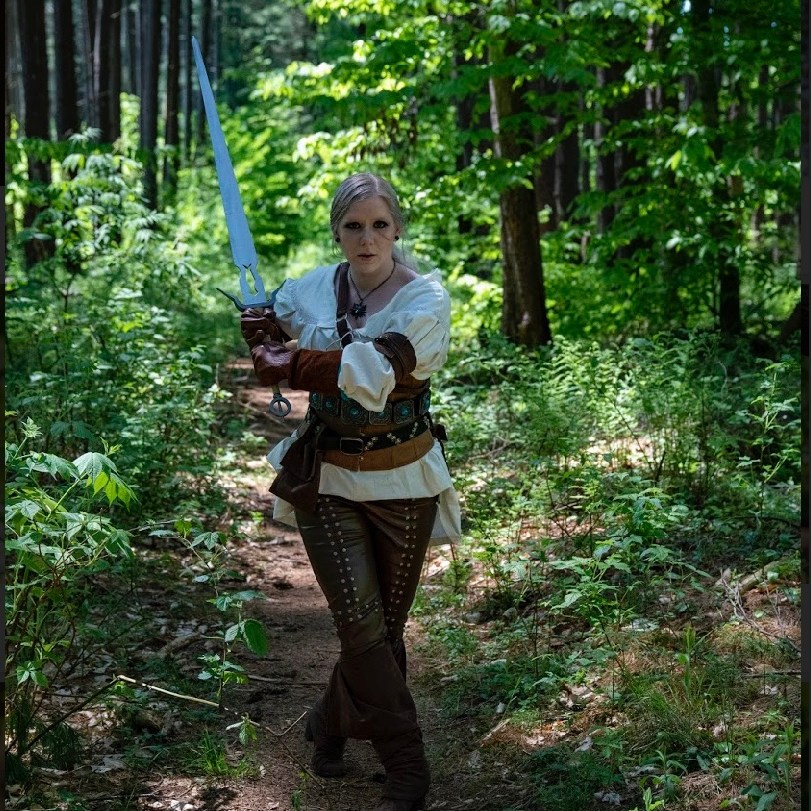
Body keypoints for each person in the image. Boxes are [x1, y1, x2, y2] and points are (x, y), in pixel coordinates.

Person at [239, 173, 461, 811]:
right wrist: (257, 332)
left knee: (385, 631)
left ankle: (326, 723)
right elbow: (270, 325)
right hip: (328, 474)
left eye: (380, 225)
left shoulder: (426, 299)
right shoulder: (312, 287)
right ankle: (407, 765)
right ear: (337, 231)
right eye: (353, 226)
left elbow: (384, 367)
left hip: (405, 476)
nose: (367, 238)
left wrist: (295, 364)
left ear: (398, 230)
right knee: (362, 630)